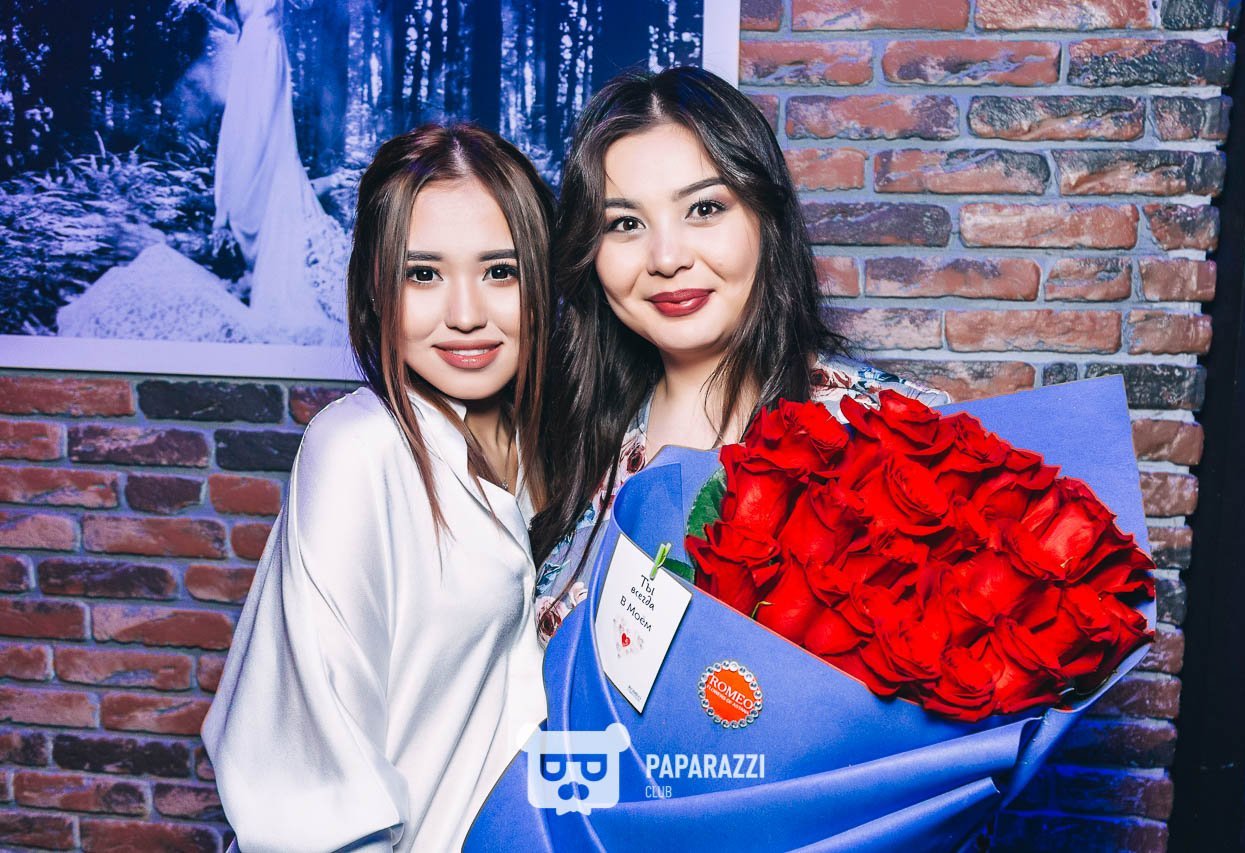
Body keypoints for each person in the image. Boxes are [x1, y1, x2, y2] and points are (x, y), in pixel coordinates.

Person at [201, 123, 555, 852]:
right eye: (423, 274)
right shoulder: (357, 450)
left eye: (500, 271)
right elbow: (314, 787)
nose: (466, 313)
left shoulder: (539, 445)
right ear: (375, 286)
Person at [530, 67, 949, 644]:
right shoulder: (562, 443)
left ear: (764, 218)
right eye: (625, 223)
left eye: (704, 209)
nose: (667, 258)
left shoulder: (893, 431)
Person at [195, 0, 347, 339]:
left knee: (267, 134)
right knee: (242, 139)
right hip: (247, 55)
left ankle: (269, 238)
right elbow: (230, 26)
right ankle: (242, 229)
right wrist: (204, 11)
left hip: (269, 54)